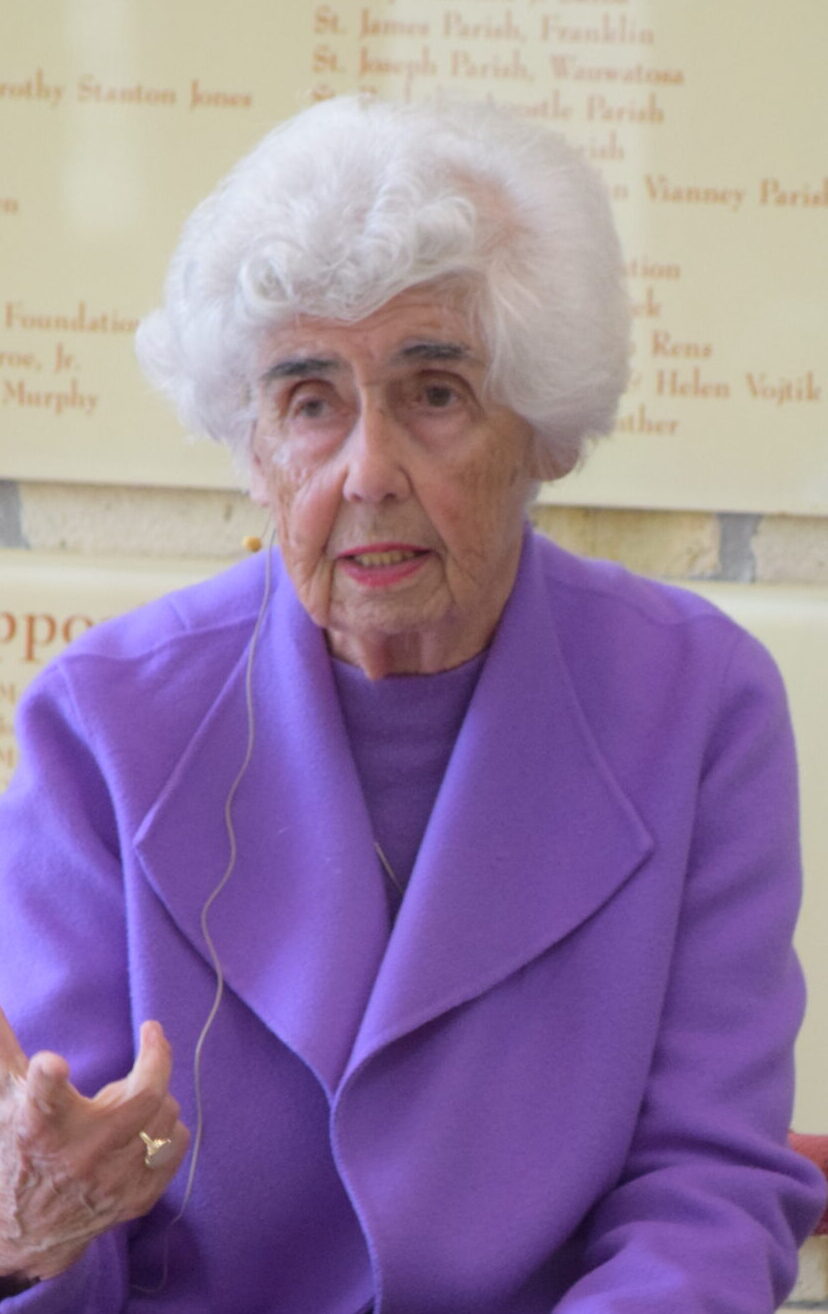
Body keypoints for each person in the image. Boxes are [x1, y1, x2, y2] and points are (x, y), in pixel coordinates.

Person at [0, 95, 823, 1312]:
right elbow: (57, 1198)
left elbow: (702, 1189)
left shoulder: (699, 708)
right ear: (254, 442)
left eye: (433, 392)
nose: (368, 471)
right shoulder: (103, 724)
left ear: (541, 428)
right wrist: (36, 1237)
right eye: (311, 400)